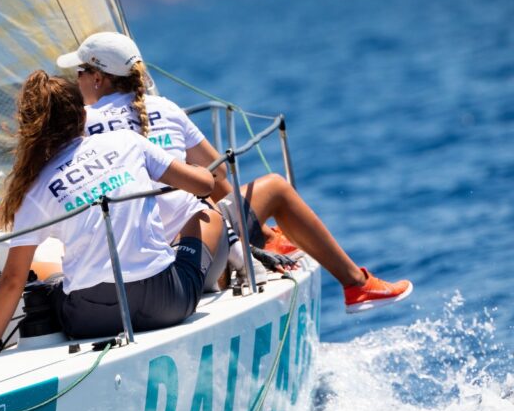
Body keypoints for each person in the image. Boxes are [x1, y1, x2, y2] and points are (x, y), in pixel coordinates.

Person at [57, 31, 413, 313]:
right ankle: (356, 284)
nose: (77, 81)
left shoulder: (80, 127)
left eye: (79, 73)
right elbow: (218, 174)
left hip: (130, 267)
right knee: (275, 187)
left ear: (98, 78)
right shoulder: (165, 108)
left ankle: (254, 244)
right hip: (197, 250)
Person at [0, 71, 220, 360]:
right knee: (209, 216)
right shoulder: (127, 141)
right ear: (83, 114)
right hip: (166, 303)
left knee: (48, 281)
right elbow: (204, 186)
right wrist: (201, 171)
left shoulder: (33, 189)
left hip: (90, 320)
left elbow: (13, 279)